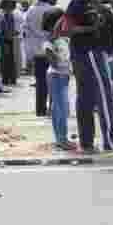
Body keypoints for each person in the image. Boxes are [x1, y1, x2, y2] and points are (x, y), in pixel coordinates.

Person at [66, 0, 113, 153]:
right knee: (102, 97)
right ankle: (107, 140)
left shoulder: (96, 5)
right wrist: (91, 28)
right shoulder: (79, 3)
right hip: (88, 53)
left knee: (87, 98)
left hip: (90, 53)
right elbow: (68, 29)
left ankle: (88, 141)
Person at [41, 8, 75, 151]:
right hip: (56, 75)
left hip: (62, 75)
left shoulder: (62, 39)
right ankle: (61, 139)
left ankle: (62, 138)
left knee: (61, 108)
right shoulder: (51, 41)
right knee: (59, 109)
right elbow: (54, 62)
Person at [23, 0, 52, 117]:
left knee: (40, 81)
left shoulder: (30, 11)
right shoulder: (53, 10)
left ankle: (40, 110)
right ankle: (54, 108)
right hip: (51, 50)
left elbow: (26, 29)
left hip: (37, 51)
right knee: (54, 80)